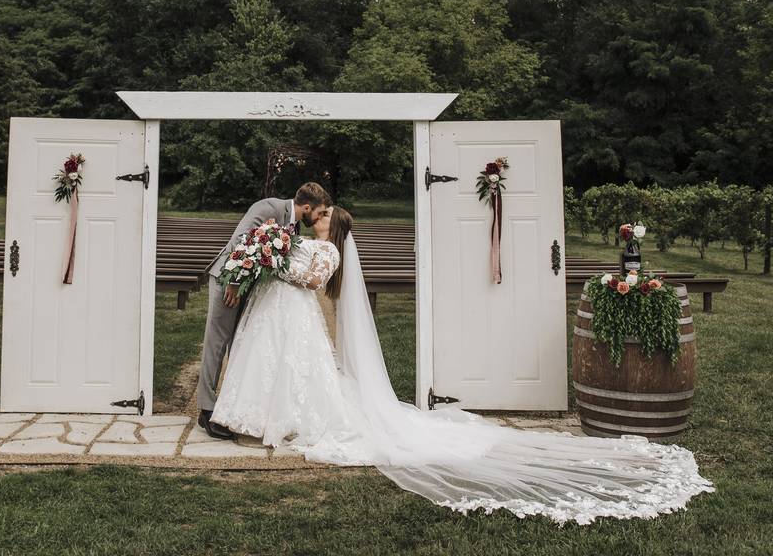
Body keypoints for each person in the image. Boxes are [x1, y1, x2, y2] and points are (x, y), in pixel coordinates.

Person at [211, 206, 715, 525]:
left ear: (334, 227)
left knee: (306, 375)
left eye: (324, 216)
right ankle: (263, 413)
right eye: (317, 213)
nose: (317, 216)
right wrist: (273, 255)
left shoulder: (328, 252)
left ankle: (289, 416)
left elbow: (309, 281)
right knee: (287, 368)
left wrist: (276, 260)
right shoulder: (302, 239)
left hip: (295, 311)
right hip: (283, 318)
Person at [197, 182, 331, 440]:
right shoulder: (268, 208)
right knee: (218, 341)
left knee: (240, 343)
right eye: (320, 212)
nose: (320, 217)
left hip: (251, 286)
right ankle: (206, 409)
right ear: (307, 207)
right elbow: (240, 242)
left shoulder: (293, 225)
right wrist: (234, 283)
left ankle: (228, 407)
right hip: (230, 281)